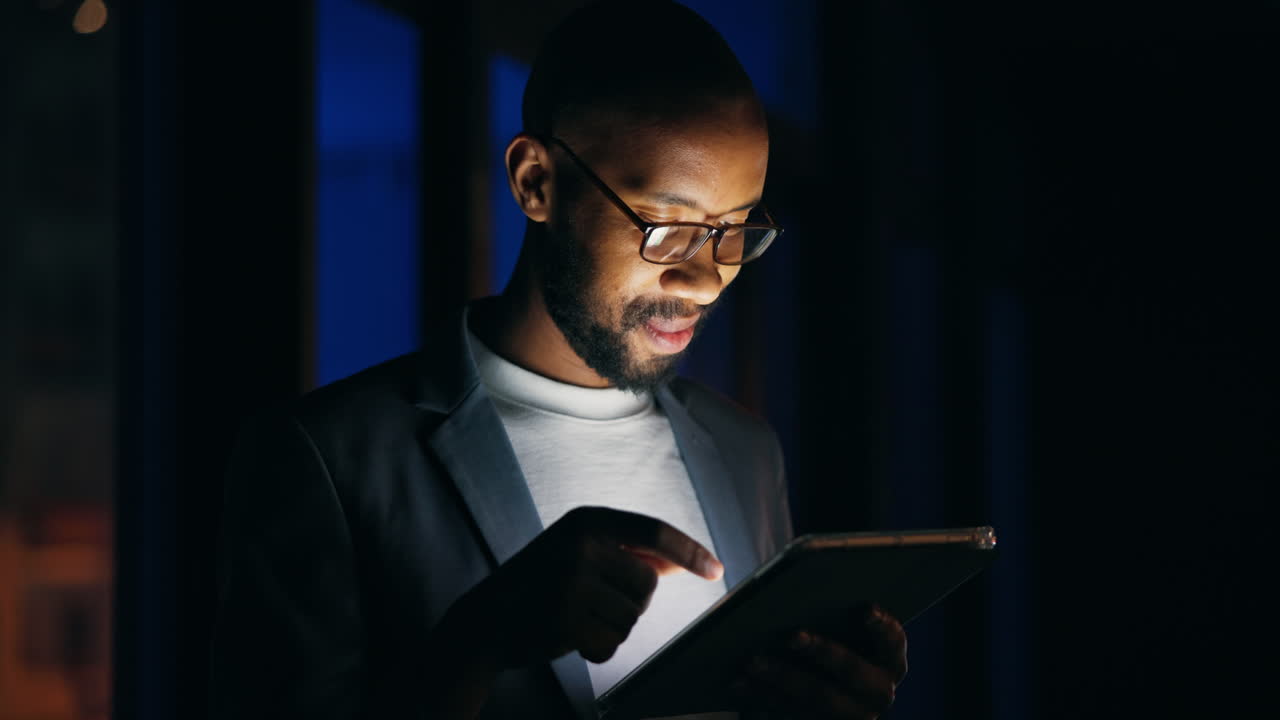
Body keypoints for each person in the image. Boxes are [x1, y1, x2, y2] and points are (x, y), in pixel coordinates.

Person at [209, 2, 907, 719]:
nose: (706, 280)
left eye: (736, 231)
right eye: (669, 229)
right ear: (535, 182)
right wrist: (475, 644)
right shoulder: (326, 460)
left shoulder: (747, 452)